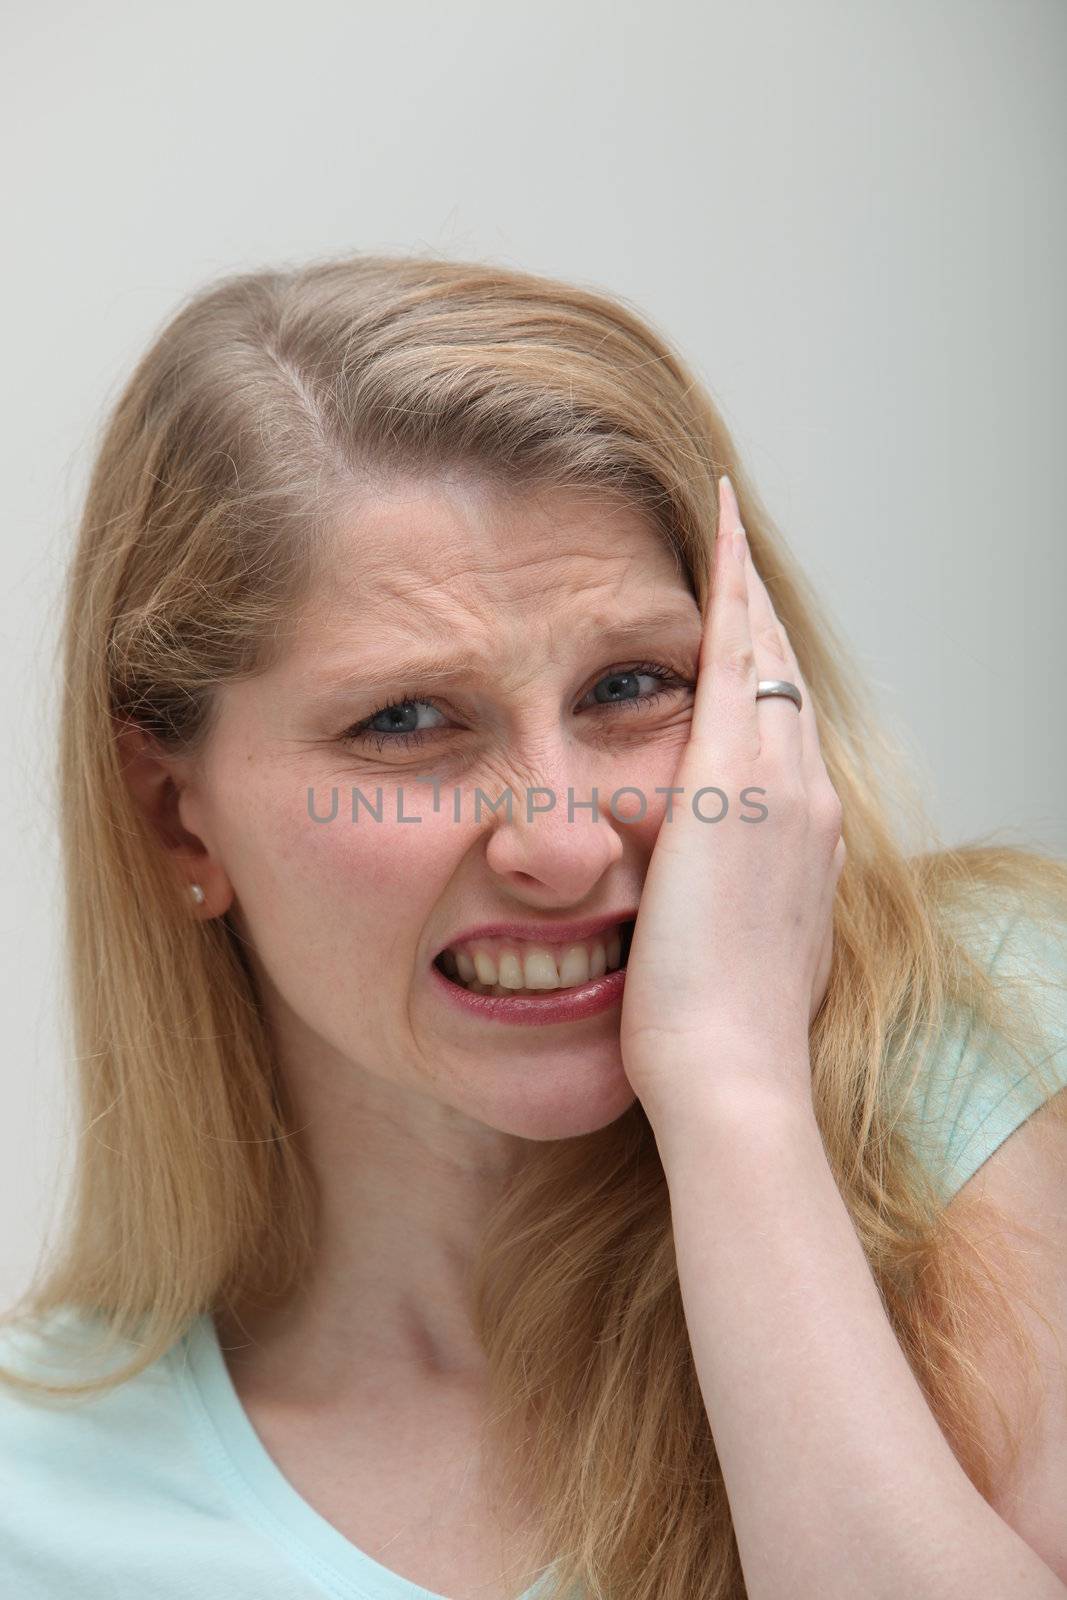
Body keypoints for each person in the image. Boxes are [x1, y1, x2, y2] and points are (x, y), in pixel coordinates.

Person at [1, 253, 1065, 1600]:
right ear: (177, 818)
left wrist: (736, 1099)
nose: (564, 843)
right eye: (406, 721)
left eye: (632, 684)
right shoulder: (42, 1498)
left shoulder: (987, 1041)